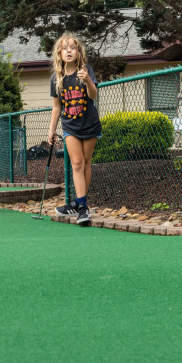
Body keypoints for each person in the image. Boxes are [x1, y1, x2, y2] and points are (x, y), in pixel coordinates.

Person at [47, 32, 102, 225]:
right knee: (77, 163)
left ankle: (79, 203)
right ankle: (83, 208)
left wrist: (87, 79)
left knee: (86, 163)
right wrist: (52, 129)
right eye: (64, 48)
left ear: (78, 52)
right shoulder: (57, 78)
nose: (68, 51)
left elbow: (93, 95)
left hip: (89, 124)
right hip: (70, 126)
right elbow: (57, 106)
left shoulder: (86, 70)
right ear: (59, 53)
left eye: (72, 47)